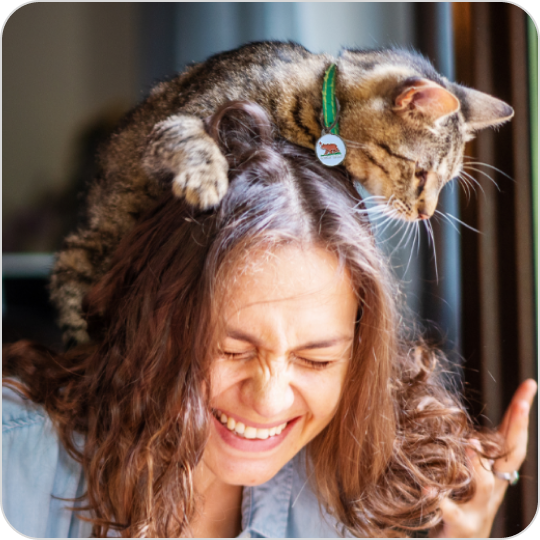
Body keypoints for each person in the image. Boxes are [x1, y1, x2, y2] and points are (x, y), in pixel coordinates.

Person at [2, 101, 536, 538]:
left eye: (316, 359)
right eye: (233, 351)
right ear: (157, 321)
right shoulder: (15, 458)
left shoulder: (362, 500)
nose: (269, 399)